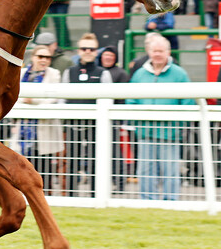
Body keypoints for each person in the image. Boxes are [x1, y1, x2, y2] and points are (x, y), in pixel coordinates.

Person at [126, 34, 194, 201]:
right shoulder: (140, 74)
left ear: (168, 52)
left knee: (170, 169)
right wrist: (137, 123)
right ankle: (147, 201)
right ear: (149, 52)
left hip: (169, 133)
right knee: (145, 170)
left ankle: (171, 201)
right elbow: (130, 99)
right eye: (154, 50)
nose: (157, 54)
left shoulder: (180, 74)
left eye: (161, 51)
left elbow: (188, 101)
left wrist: (178, 124)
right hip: (145, 132)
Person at [61, 33, 112, 197]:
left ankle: (96, 195)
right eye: (84, 48)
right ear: (79, 51)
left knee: (96, 160)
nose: (88, 51)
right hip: (72, 124)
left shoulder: (103, 73)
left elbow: (107, 99)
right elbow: (62, 98)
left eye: (91, 48)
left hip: (95, 125)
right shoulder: (69, 72)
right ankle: (70, 196)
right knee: (72, 161)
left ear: (97, 51)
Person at [10, 44, 64, 193]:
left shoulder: (54, 74)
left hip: (44, 131)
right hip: (22, 129)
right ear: (33, 57)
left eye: (47, 57)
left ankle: (45, 198)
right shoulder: (21, 74)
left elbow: (52, 98)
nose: (44, 60)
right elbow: (13, 97)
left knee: (44, 169)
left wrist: (31, 100)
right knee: (23, 168)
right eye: (40, 56)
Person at [96, 45, 130, 192]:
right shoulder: (98, 72)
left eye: (111, 55)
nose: (108, 58)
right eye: (106, 55)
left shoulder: (121, 73)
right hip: (97, 118)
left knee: (115, 152)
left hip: (113, 118)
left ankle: (120, 183)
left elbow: (122, 98)